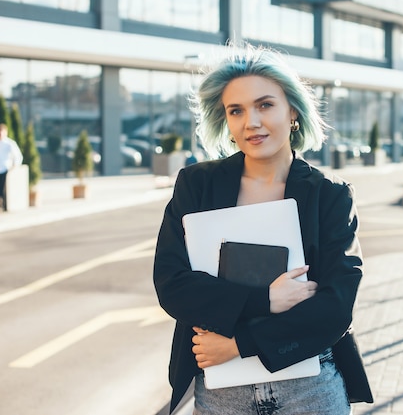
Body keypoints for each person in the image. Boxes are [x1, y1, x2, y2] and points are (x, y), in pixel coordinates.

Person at [153, 43, 372, 415]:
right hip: (223, 393)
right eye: (235, 110)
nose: (250, 122)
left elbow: (336, 306)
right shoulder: (196, 186)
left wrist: (240, 342)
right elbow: (173, 285)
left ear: (293, 113)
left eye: (265, 105)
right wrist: (265, 301)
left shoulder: (330, 196)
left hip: (310, 390)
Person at [0, 123, 23, 211]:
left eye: (1, 131)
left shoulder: (9, 143)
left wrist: (15, 165)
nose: (0, 133)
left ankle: (3, 205)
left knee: (2, 189)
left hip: (5, 168)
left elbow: (17, 156)